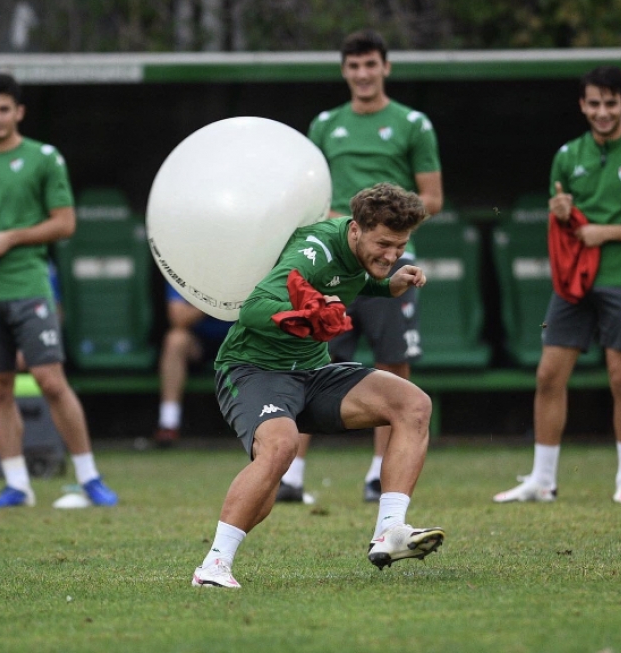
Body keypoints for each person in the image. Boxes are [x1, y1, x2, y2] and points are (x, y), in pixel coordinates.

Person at [192, 182, 445, 588]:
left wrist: (386, 283)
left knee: (413, 403)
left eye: (400, 246)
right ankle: (213, 566)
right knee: (280, 449)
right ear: (356, 229)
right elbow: (254, 308)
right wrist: (304, 314)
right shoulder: (313, 251)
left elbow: (349, 279)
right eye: (384, 244)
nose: (392, 254)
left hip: (310, 372)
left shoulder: (359, 253)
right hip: (253, 369)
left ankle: (390, 531)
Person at [493, 65, 621, 505]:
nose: (601, 111)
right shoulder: (568, 154)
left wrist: (607, 232)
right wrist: (559, 210)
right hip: (573, 280)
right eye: (593, 103)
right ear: (583, 105)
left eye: (610, 103)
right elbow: (563, 219)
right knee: (548, 375)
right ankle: (542, 481)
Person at [277, 28, 443, 503]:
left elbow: (431, 197)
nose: (363, 74)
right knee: (311, 360)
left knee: (393, 362)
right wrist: (341, 225)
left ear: (385, 68)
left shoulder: (413, 123)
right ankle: (291, 475)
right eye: (354, 66)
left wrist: (383, 229)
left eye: (371, 64)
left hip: (390, 259)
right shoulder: (326, 124)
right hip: (333, 261)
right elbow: (307, 195)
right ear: (344, 71)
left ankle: (377, 473)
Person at [0, 73, 118, 508]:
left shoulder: (44, 158)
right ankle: (17, 484)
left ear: (18, 112)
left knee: (50, 380)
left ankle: (89, 476)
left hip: (29, 284)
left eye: (5, 109)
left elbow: (65, 223)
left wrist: (8, 238)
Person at [154, 283, 232, 446]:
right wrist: (215, 300)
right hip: (199, 341)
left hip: (240, 340)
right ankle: (169, 424)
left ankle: (267, 423)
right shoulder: (186, 270)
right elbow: (178, 318)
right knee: (175, 340)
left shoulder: (248, 270)